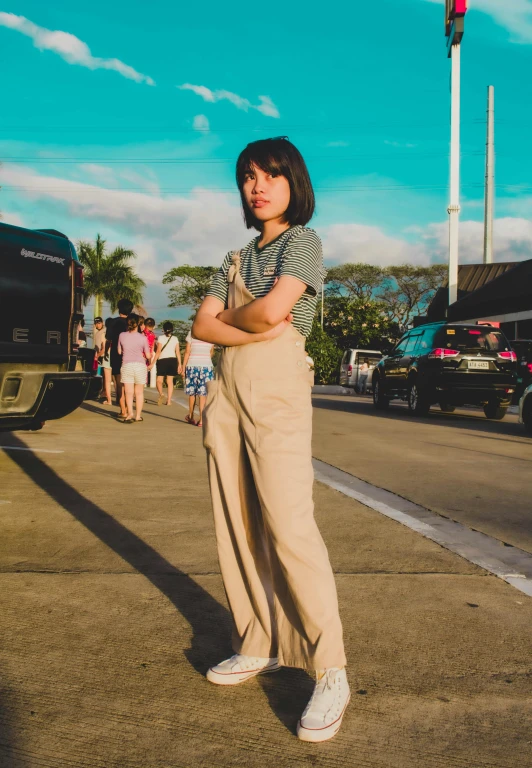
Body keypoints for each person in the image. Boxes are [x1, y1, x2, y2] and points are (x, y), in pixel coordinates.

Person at [192, 137, 348, 743]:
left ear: (294, 184)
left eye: (271, 176)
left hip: (277, 389)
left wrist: (232, 321)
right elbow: (206, 323)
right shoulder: (232, 255)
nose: (258, 186)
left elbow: (272, 316)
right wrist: (242, 321)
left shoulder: (302, 243)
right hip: (227, 396)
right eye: (249, 177)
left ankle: (330, 668)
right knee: (236, 521)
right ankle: (257, 642)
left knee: (289, 525)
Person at [117, 314, 150, 423]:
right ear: (138, 324)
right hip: (140, 366)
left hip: (127, 365)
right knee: (139, 392)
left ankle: (130, 413)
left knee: (128, 392)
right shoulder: (143, 338)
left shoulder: (121, 335)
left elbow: (119, 351)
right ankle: (138, 416)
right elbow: (148, 355)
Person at [105, 298, 134, 421]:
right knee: (128, 382)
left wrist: (106, 351)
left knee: (118, 382)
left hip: (116, 355)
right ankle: (129, 408)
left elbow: (108, 340)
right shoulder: (132, 322)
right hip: (130, 354)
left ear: (118, 309)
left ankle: (123, 410)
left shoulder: (112, 322)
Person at [183, 330, 214, 426]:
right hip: (206, 367)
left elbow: (187, 351)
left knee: (192, 393)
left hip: (192, 365)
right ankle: (201, 420)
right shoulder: (211, 333)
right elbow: (211, 352)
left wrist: (183, 366)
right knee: (203, 395)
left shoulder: (192, 332)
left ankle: (191, 416)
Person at [150, 322, 182, 406]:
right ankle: (169, 401)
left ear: (163, 330)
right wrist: (180, 364)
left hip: (162, 360)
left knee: (159, 381)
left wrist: (152, 363)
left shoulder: (160, 338)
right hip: (173, 360)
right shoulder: (175, 338)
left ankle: (161, 394)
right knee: (170, 381)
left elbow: (158, 351)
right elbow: (178, 352)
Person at [99, 318, 114, 406]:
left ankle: (109, 400)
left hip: (107, 357)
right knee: (118, 379)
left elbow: (104, 349)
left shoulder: (104, 335)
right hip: (116, 357)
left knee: (107, 380)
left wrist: (97, 356)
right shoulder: (118, 334)